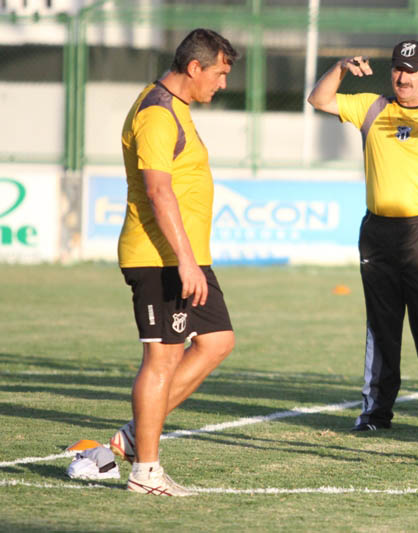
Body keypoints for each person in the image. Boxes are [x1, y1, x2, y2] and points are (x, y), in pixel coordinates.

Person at [307, 40, 418, 433]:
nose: (403, 76)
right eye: (397, 68)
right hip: (377, 232)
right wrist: (339, 67)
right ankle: (374, 413)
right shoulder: (372, 106)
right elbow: (318, 100)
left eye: (411, 69)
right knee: (382, 326)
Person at [110, 28, 239, 496]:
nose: (222, 85)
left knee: (217, 341)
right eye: (220, 74)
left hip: (186, 258)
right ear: (194, 68)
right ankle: (145, 472)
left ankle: (131, 434)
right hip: (160, 259)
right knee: (161, 360)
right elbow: (158, 189)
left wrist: (192, 260)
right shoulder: (157, 113)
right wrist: (185, 262)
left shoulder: (176, 107)